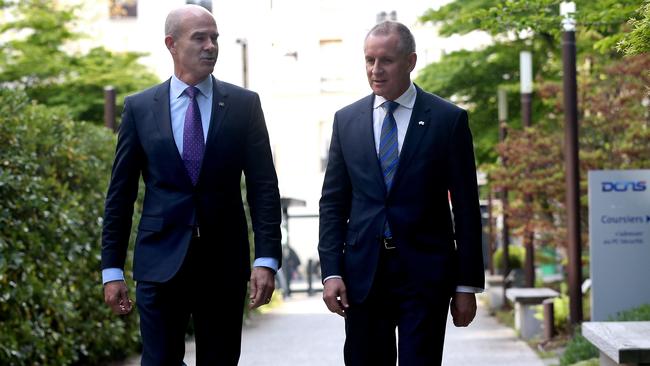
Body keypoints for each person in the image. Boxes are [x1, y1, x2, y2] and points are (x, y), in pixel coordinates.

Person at [101, 5, 281, 365]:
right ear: (171, 43)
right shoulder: (140, 108)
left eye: (215, 38)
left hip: (224, 264)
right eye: (200, 38)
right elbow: (120, 194)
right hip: (159, 262)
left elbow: (264, 187)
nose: (210, 46)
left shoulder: (245, 105)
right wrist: (112, 269)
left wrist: (266, 258)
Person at [318, 21, 484, 365]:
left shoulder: (447, 120)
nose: (375, 70)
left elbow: (466, 208)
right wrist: (331, 271)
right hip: (364, 275)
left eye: (386, 61)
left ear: (410, 61)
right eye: (369, 60)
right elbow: (333, 203)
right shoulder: (346, 120)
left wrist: (467, 285)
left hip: (424, 275)